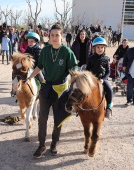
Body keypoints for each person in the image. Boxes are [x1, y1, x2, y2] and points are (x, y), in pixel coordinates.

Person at [28, 23, 78, 158]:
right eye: (52, 35)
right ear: (49, 36)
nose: (54, 38)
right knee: (42, 118)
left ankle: (54, 144)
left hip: (61, 90)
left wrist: (72, 82)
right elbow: (39, 67)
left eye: (57, 35)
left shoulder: (67, 52)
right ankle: (42, 145)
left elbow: (74, 70)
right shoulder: (45, 50)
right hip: (46, 88)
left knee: (58, 118)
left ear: (62, 36)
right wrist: (29, 77)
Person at [86, 37, 113, 119]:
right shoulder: (91, 58)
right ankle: (79, 108)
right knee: (82, 91)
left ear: (104, 48)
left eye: (102, 47)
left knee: (110, 90)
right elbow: (87, 70)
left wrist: (103, 79)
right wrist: (90, 78)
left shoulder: (106, 59)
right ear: (94, 48)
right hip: (92, 80)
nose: (100, 49)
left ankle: (108, 108)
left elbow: (108, 72)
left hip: (102, 80)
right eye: (98, 47)